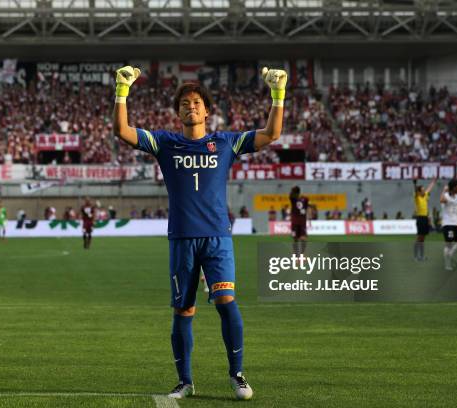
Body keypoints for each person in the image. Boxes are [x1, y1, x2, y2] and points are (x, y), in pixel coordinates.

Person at [112, 65, 286, 400]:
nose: (190, 106)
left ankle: (237, 375)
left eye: (196, 102)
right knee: (184, 310)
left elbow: (271, 134)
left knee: (226, 301)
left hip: (217, 237)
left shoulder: (226, 143)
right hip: (181, 239)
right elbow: (122, 130)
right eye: (184, 104)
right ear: (178, 113)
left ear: (207, 110)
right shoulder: (165, 143)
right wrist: (122, 91)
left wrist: (278, 95)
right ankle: (185, 381)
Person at [440, 179, 457, 270]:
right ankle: (447, 264)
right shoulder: (446, 196)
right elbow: (441, 200)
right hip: (447, 224)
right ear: (454, 187)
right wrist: (444, 190)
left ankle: (450, 255)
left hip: (456, 223)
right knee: (449, 244)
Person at [413, 178, 436, 261]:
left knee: (423, 239)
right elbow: (416, 191)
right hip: (420, 218)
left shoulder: (425, 195)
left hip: (425, 218)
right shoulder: (417, 197)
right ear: (419, 191)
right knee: (419, 238)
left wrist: (433, 182)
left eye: (423, 190)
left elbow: (429, 189)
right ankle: (416, 256)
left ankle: (421, 256)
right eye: (422, 190)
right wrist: (415, 184)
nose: (424, 191)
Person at [289, 186, 309, 254]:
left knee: (295, 238)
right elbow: (306, 207)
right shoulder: (305, 199)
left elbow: (291, 195)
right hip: (302, 221)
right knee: (303, 237)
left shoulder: (293, 199)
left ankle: (296, 255)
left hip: (295, 221)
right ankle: (303, 254)